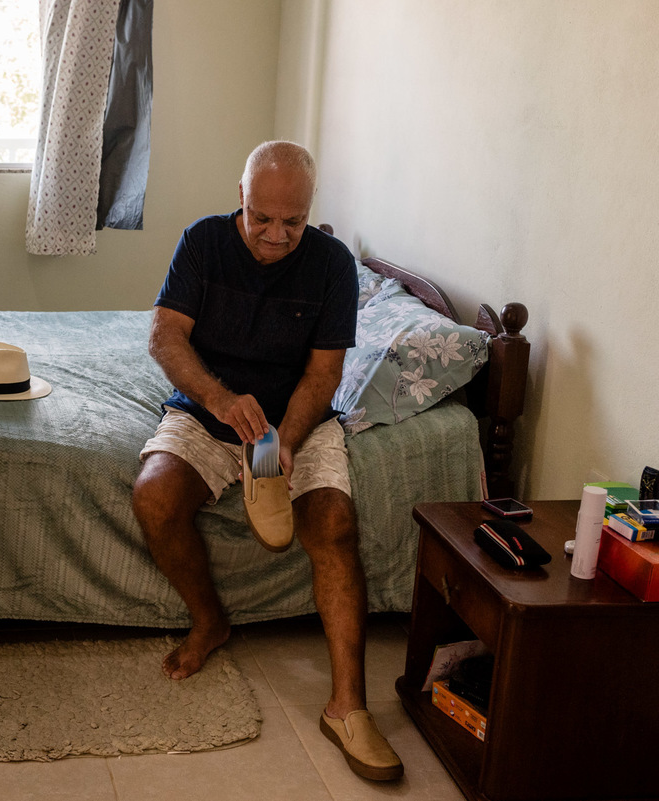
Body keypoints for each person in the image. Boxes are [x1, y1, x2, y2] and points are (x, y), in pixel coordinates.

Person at [132, 141, 403, 781]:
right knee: (155, 497)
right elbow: (164, 336)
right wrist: (221, 400)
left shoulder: (334, 265)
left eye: (294, 222)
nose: (277, 237)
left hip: (295, 421)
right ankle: (210, 622)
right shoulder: (202, 241)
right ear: (242, 198)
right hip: (211, 407)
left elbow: (325, 372)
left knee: (333, 525)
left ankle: (347, 707)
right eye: (262, 219)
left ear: (309, 213)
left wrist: (284, 439)